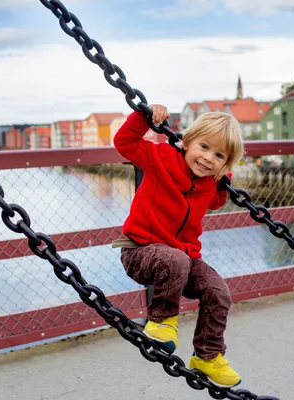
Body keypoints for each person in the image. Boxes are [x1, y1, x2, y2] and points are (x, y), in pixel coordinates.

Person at [112, 104, 245, 387]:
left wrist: (224, 180)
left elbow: (217, 201)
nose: (208, 158)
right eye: (204, 147)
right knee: (175, 261)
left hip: (183, 258)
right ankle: (161, 322)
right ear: (186, 142)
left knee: (217, 291)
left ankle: (207, 356)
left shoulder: (210, 183)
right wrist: (143, 118)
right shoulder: (159, 157)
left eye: (219, 155)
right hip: (140, 250)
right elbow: (124, 143)